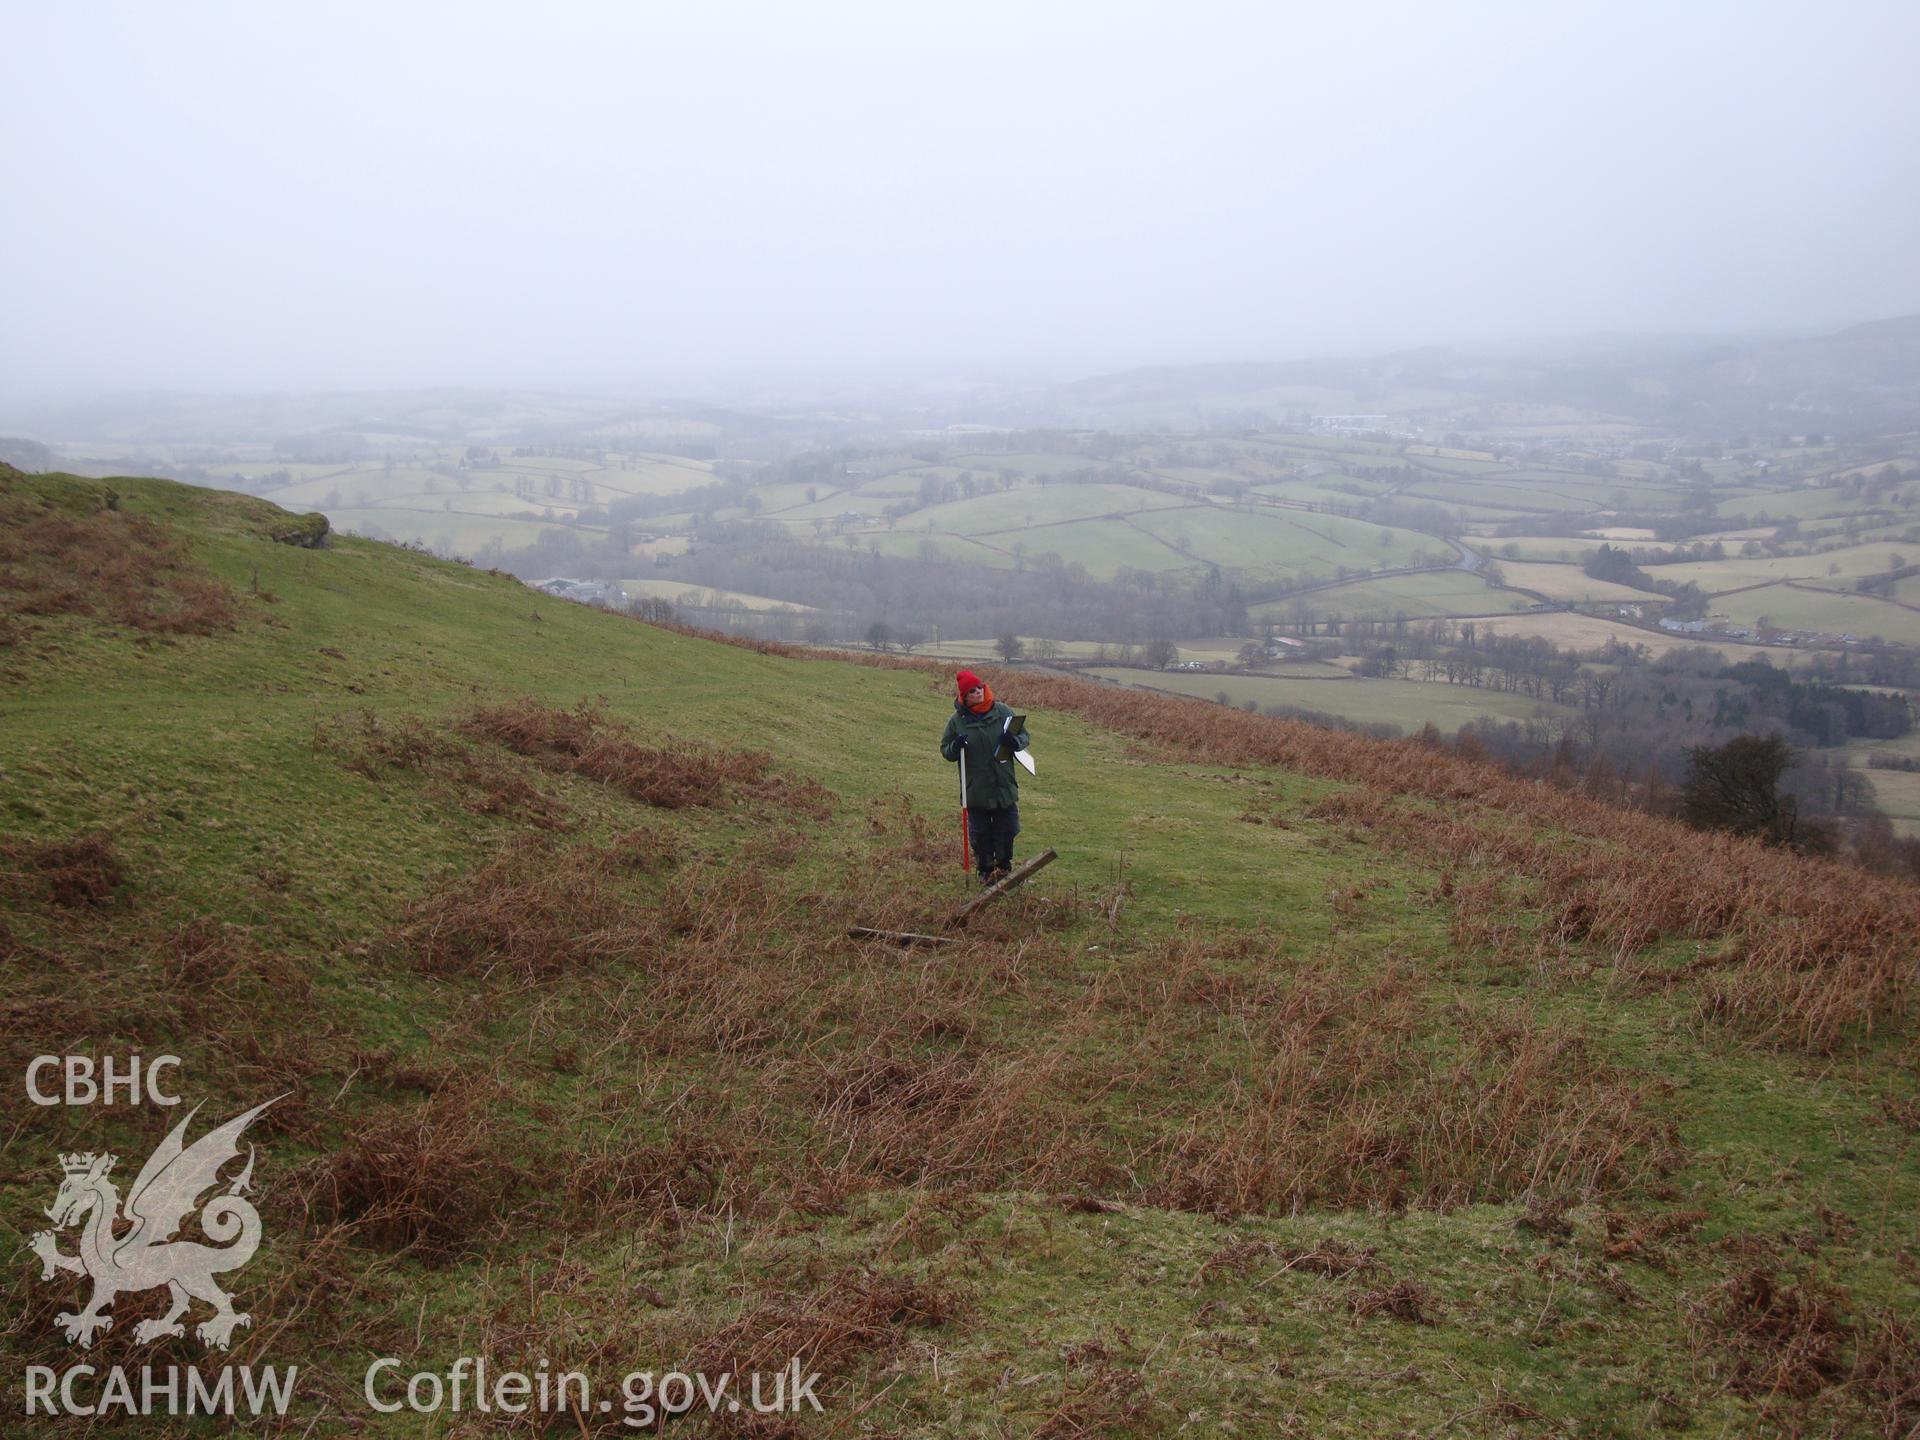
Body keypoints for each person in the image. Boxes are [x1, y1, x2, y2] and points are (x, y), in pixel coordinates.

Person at [939, 668, 1029, 884]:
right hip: (975, 788)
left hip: (1003, 784)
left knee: (1007, 829)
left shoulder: (1003, 711)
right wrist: (955, 746)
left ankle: (1004, 868)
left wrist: (1014, 742)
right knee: (980, 834)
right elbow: (945, 750)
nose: (978, 692)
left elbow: (1024, 735)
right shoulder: (956, 721)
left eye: (979, 687)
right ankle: (986, 871)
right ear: (964, 696)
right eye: (972, 690)